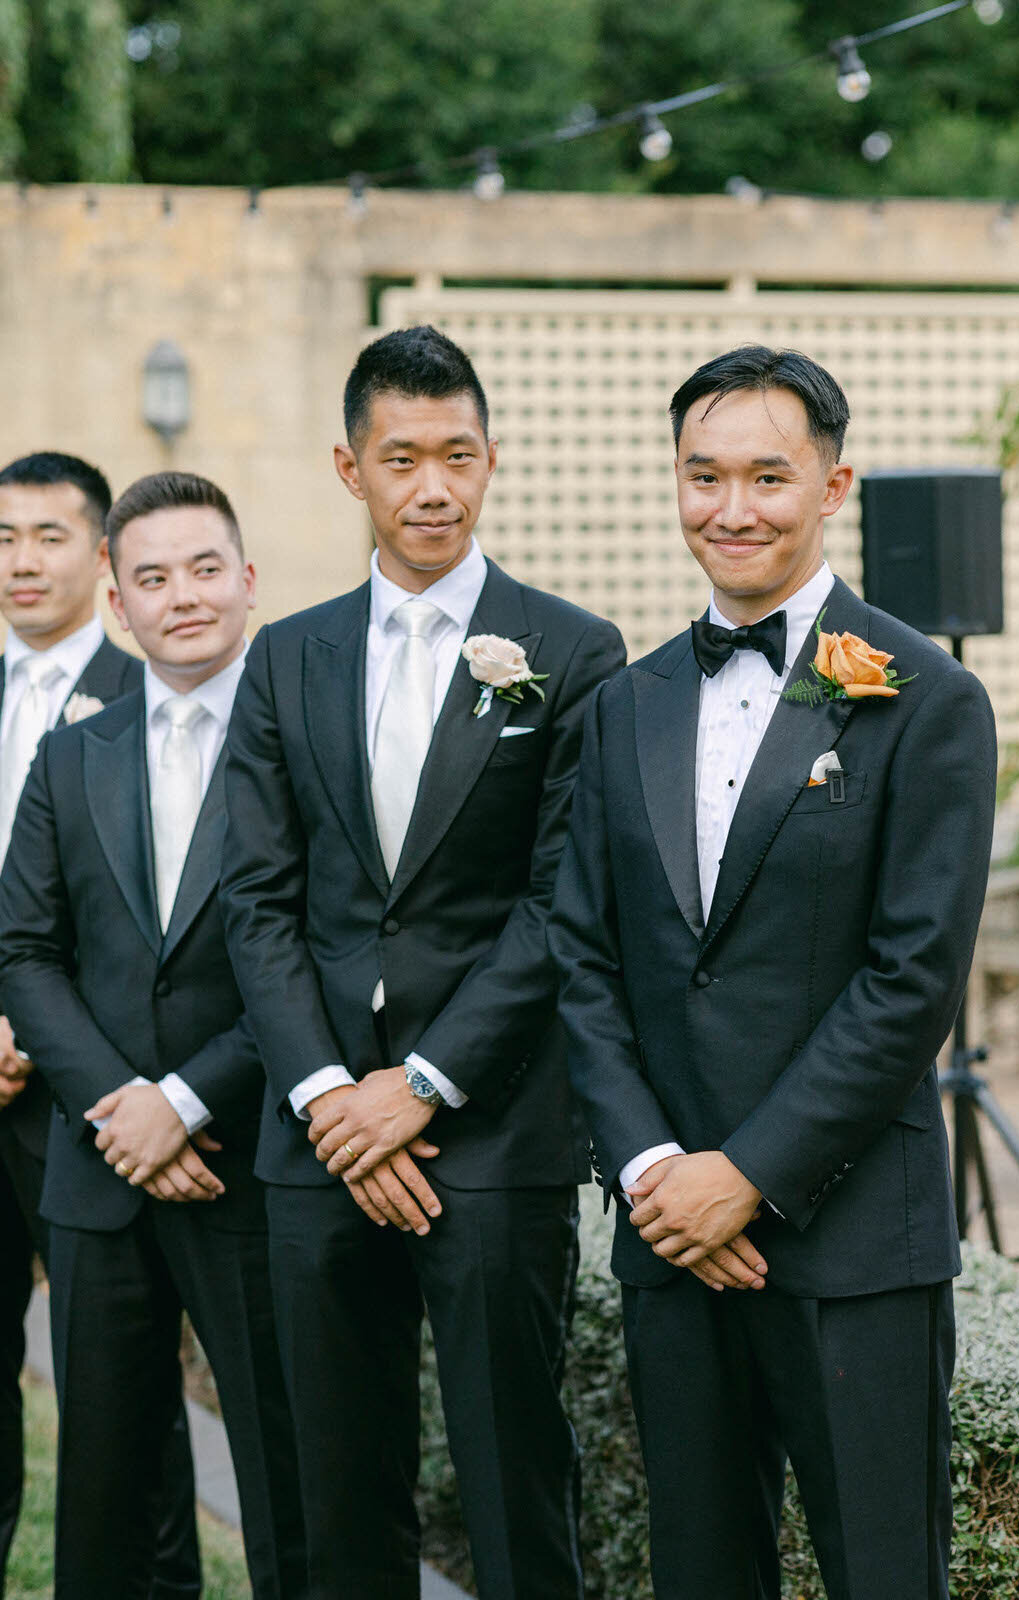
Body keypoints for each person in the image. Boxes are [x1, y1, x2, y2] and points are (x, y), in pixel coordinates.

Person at [549, 345, 997, 1600]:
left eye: (766, 476)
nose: (731, 508)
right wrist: (653, 1172)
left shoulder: (925, 696)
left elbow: (910, 979)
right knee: (697, 1569)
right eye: (702, 476)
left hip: (850, 1238)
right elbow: (582, 955)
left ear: (831, 485)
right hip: (668, 1240)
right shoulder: (622, 703)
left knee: (879, 1571)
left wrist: (745, 1176)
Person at [219, 324, 626, 1600]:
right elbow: (257, 900)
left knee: (514, 1481)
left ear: (491, 460)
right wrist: (331, 1095)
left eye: (458, 454)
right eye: (404, 458)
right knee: (334, 1488)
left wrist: (426, 1083)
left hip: (491, 1131)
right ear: (353, 470)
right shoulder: (284, 655)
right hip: (316, 1134)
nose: (433, 485)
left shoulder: (570, 650)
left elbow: (564, 904)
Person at [0, 471, 307, 1600]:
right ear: (118, 604)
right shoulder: (71, 755)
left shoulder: (305, 743)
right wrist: (118, 1104)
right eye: (153, 576)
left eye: (204, 567)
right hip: (99, 1168)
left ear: (247, 581)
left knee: (283, 1468)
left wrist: (179, 1102)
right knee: (104, 1487)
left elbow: (314, 955)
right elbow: (24, 949)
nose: (183, 595)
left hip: (252, 1161)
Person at [0, 451, 201, 1599]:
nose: (24, 561)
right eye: (3, 539)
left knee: (118, 1392)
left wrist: (40, 1033)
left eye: (49, 536)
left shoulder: (155, 693)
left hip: (96, 1091)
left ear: (102, 559)